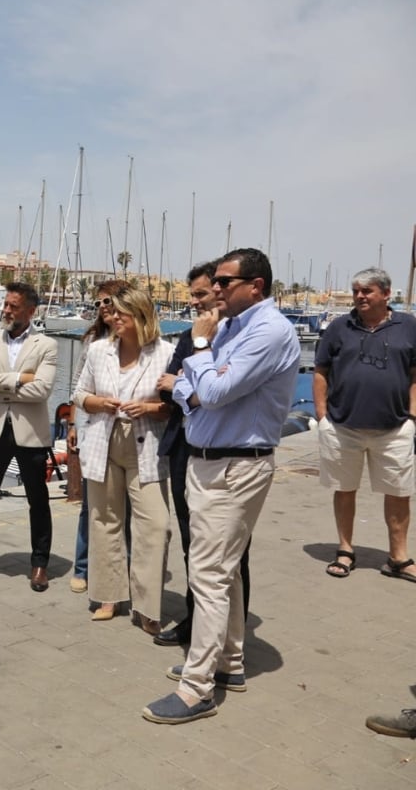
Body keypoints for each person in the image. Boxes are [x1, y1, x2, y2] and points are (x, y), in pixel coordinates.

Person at [142, 248, 299, 724]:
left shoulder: (269, 330)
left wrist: (202, 350)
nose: (215, 291)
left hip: (235, 466)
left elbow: (205, 390)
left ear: (256, 285)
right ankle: (228, 662)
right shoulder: (233, 325)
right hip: (210, 462)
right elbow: (191, 394)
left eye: (225, 283)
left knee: (207, 575)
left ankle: (197, 690)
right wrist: (201, 380)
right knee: (222, 571)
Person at [153, 262, 252, 647]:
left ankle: (229, 634)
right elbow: (165, 388)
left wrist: (187, 383)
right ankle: (196, 620)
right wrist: (187, 385)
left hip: (225, 456)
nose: (193, 302)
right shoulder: (190, 335)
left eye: (200, 294)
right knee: (191, 542)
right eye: (191, 295)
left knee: (230, 550)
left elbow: (216, 395)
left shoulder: (237, 336)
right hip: (183, 448)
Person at [72, 287, 172, 632]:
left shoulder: (166, 353)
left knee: (155, 525)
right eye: (111, 313)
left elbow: (177, 407)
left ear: (139, 315)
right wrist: (99, 403)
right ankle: (108, 596)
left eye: (120, 314)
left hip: (146, 445)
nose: (112, 318)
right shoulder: (99, 350)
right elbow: (79, 393)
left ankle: (147, 605)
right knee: (104, 520)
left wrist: (148, 408)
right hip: (104, 441)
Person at [314, 268, 416, 582]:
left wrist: (412, 416)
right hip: (343, 426)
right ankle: (345, 549)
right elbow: (321, 371)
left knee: (399, 492)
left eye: (367, 291)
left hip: (395, 427)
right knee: (345, 489)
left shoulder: (409, 327)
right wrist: (322, 417)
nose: (360, 296)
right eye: (357, 290)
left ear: (386, 294)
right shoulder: (339, 327)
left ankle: (397, 558)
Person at [0, 281, 57, 591]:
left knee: (38, 499)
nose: (5, 310)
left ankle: (39, 564)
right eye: (5, 304)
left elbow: (42, 390)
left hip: (30, 433)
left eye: (13, 306)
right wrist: (19, 379)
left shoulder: (46, 345)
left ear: (30, 311)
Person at [67, 279, 130, 594]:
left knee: (126, 508)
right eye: (99, 303)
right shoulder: (92, 341)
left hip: (129, 435)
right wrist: (73, 425)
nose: (103, 308)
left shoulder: (138, 339)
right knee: (90, 504)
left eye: (109, 301)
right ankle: (83, 567)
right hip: (94, 427)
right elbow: (77, 385)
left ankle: (124, 570)